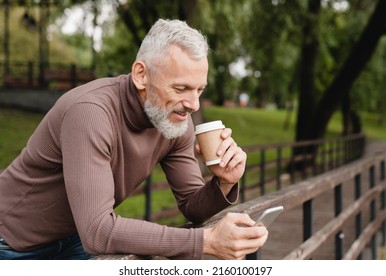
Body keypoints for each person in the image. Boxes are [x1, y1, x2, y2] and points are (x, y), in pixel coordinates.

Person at [0, 19, 268, 260]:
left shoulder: (174, 121)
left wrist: (223, 182)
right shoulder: (90, 113)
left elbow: (191, 206)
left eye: (199, 89)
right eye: (181, 88)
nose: (194, 104)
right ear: (141, 75)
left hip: (73, 239)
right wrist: (205, 241)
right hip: (12, 243)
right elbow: (98, 230)